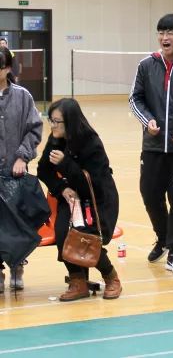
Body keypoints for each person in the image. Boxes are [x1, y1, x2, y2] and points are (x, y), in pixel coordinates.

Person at [129, 13, 173, 274]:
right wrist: (147, 120)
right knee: (150, 195)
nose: (164, 37)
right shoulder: (146, 65)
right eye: (161, 32)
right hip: (153, 147)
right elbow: (135, 98)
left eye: (170, 32)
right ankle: (163, 238)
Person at [37, 98, 121, 301]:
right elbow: (43, 170)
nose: (52, 125)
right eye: (51, 120)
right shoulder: (55, 139)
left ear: (70, 122)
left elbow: (93, 184)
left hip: (98, 200)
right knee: (62, 233)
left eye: (57, 122)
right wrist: (62, 188)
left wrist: (65, 163)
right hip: (72, 198)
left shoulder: (91, 143)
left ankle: (111, 277)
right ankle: (78, 281)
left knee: (84, 236)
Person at [0, 46, 43, 292]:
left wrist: (22, 157)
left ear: (7, 68)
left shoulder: (23, 96)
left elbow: (34, 129)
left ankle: (18, 267)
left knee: (18, 224)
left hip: (14, 174)